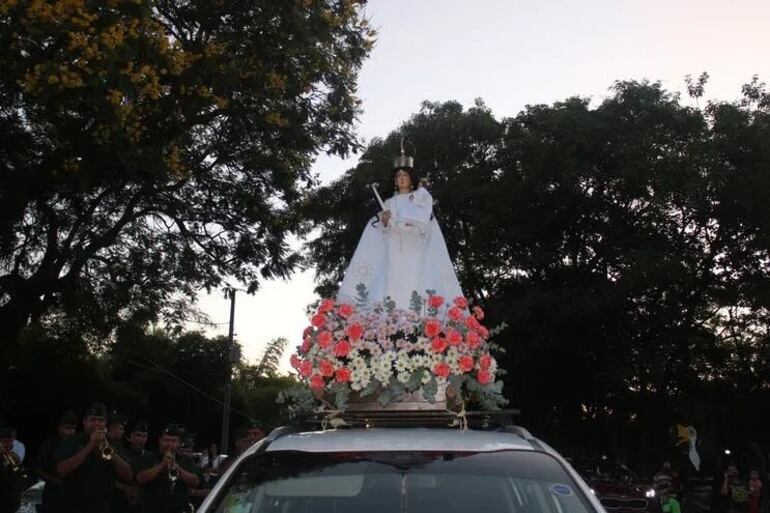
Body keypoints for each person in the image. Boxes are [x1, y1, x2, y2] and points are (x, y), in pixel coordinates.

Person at [337, 142, 464, 310]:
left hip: (414, 247)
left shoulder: (421, 197)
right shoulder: (389, 202)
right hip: (393, 248)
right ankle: (392, 315)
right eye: (398, 176)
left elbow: (424, 219)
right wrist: (385, 221)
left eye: (405, 174)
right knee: (391, 280)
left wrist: (404, 223)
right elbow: (381, 227)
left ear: (411, 178)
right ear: (395, 181)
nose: (401, 177)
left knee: (417, 281)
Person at [54, 402, 132, 513]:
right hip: (74, 506)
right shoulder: (71, 441)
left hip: (102, 506)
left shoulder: (114, 444)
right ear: (85, 422)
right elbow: (61, 471)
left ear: (106, 423)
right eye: (93, 419)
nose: (96, 424)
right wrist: (89, 446)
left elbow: (128, 475)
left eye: (100, 420)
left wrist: (111, 453)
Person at [134, 424, 200, 513]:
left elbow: (195, 482)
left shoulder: (186, 460)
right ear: (160, 440)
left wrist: (178, 469)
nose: (170, 444)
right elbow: (140, 478)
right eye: (166, 440)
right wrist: (161, 465)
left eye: (173, 441)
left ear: (179, 443)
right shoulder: (148, 456)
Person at [36, 410, 78, 513]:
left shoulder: (77, 444)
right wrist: (55, 480)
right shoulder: (49, 444)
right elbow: (37, 469)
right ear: (60, 427)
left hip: (72, 495)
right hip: (52, 494)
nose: (71, 432)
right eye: (68, 428)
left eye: (73, 428)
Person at [0, 426, 25, 513]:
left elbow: (21, 475)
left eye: (10, 441)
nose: (9, 445)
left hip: (10, 501)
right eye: (5, 442)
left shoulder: (13, 456)